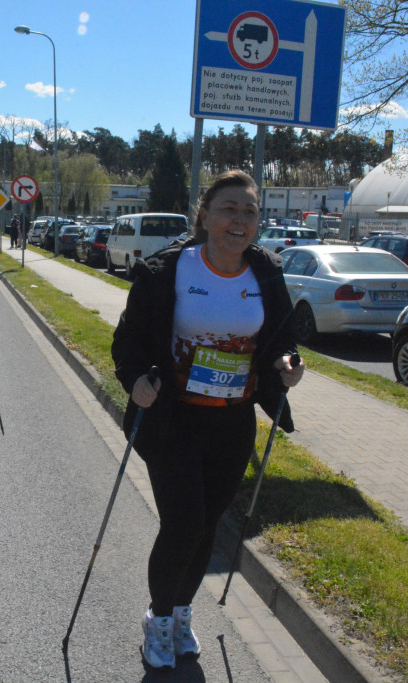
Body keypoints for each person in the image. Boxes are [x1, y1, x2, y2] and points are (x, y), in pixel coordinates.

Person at [111, 170, 305, 669]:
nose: (239, 220)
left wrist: (284, 364)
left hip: (232, 423)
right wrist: (135, 380)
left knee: (208, 526)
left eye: (249, 212)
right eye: (228, 209)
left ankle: (180, 612)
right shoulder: (168, 270)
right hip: (173, 421)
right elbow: (128, 342)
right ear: (204, 215)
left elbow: (280, 337)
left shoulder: (265, 272)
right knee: (183, 523)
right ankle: (156, 618)